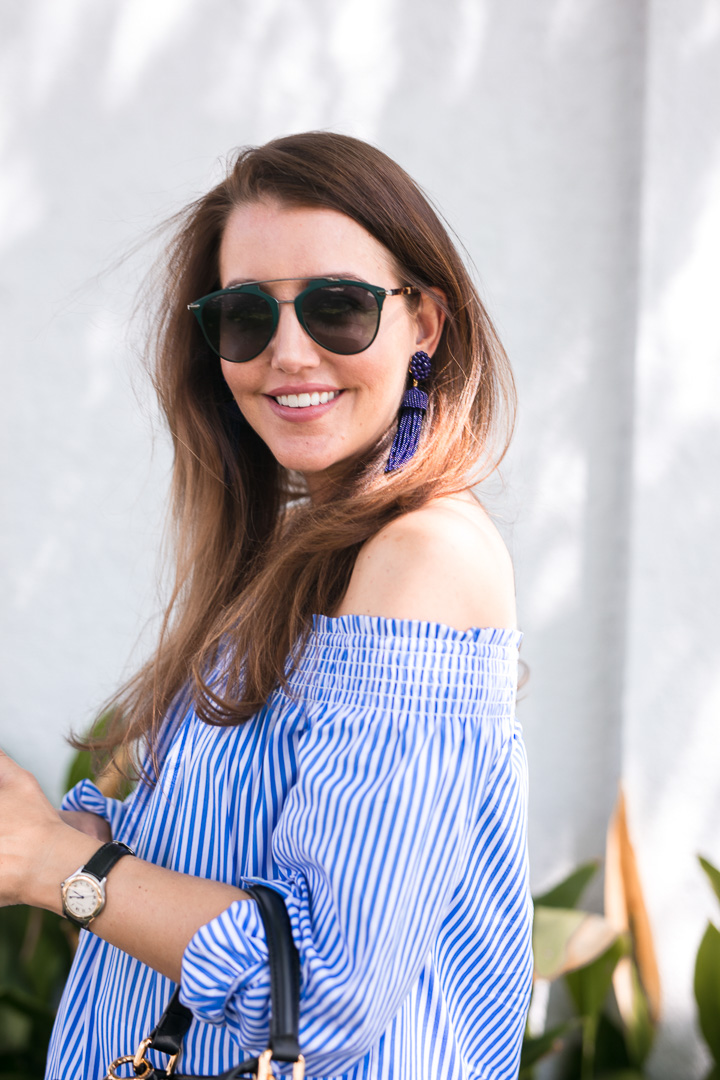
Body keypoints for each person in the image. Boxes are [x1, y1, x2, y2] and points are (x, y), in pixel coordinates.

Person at [0, 132, 533, 1080]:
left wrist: (59, 869)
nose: (287, 353)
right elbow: (237, 874)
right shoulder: (312, 553)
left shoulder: (424, 558)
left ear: (427, 323)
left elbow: (322, 988)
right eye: (246, 316)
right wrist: (71, 841)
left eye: (338, 307)